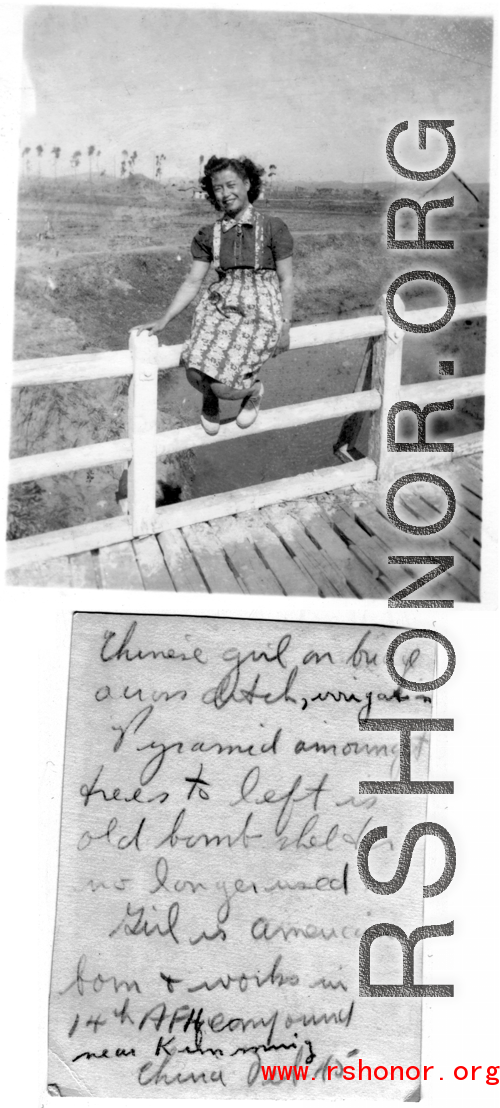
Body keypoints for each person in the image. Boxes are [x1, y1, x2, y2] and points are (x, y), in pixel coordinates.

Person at [135, 155, 294, 435]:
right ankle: (209, 397)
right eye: (217, 188)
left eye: (231, 185)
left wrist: (285, 324)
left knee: (226, 386)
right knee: (193, 369)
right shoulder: (209, 234)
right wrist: (164, 320)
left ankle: (253, 391)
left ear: (247, 184)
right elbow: (193, 281)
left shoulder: (273, 228)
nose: (225, 194)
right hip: (220, 307)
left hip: (260, 312)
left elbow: (287, 279)